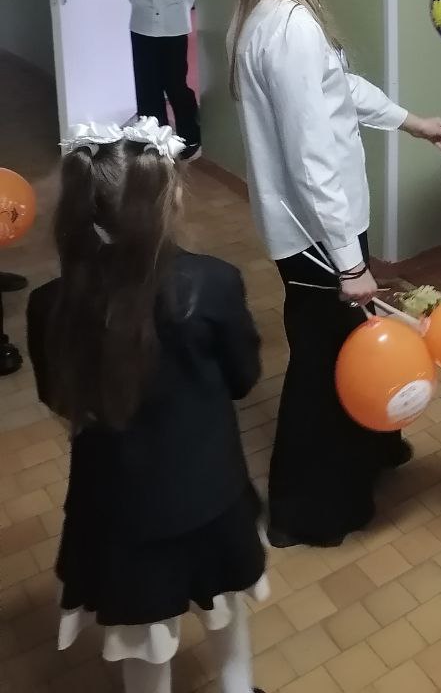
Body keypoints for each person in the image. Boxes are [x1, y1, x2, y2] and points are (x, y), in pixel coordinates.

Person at [229, 0, 441, 548]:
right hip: (320, 238)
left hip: (316, 233)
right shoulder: (291, 26)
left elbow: (339, 92)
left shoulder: (272, 13)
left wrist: (409, 120)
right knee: (322, 371)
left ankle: (373, 449)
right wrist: (350, 263)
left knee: (350, 348)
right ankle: (305, 511)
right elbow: (314, 160)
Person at [26, 118, 266, 693]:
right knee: (226, 608)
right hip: (211, 493)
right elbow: (243, 378)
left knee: (143, 639)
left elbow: (57, 397)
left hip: (116, 510)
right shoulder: (214, 283)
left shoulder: (50, 305)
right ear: (163, 204)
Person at [123, 0, 201, 161]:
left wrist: (175, 13)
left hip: (175, 31)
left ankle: (189, 137)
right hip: (143, 30)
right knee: (148, 88)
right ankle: (154, 141)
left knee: (177, 86)